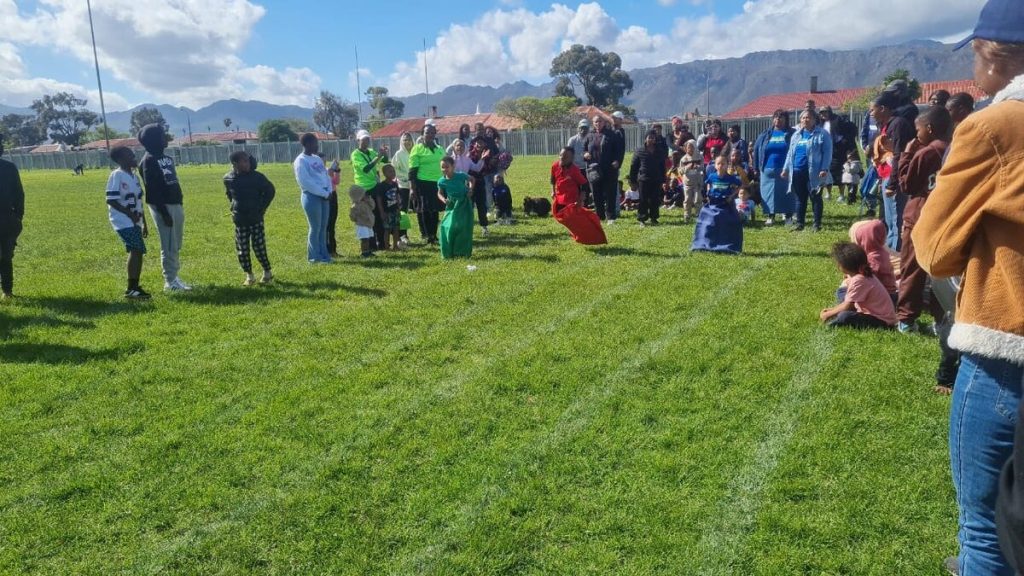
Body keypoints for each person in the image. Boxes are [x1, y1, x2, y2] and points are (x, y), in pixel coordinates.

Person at [911, 3, 1024, 571]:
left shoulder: (994, 126)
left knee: (985, 527)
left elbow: (934, 249)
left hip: (1007, 353)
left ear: (994, 57)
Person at [895, 106, 952, 334]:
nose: (916, 135)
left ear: (929, 128)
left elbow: (906, 185)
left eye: (918, 130)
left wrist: (907, 154)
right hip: (944, 217)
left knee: (912, 268)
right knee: (941, 270)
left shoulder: (926, 152)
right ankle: (942, 319)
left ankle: (906, 319)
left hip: (919, 216)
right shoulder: (955, 149)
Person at [139, 123, 191, 291]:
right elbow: (152, 189)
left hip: (175, 203)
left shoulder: (167, 158)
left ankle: (175, 277)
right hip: (163, 206)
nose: (166, 138)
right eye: (162, 135)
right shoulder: (148, 160)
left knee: (176, 243)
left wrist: (180, 201)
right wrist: (164, 212)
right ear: (154, 139)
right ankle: (170, 281)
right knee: (169, 244)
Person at [870, 90, 918, 251]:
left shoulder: (898, 124)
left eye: (872, 109)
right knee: (890, 219)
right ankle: (891, 250)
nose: (871, 113)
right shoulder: (886, 125)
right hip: (886, 176)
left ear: (882, 108)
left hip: (895, 178)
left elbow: (899, 154)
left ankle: (896, 254)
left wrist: (892, 183)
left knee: (896, 220)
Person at [105, 146, 151, 299]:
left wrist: (144, 223)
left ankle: (134, 286)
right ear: (120, 159)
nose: (133, 156)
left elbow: (139, 202)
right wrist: (130, 214)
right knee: (136, 249)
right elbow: (111, 200)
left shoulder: (134, 177)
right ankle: (132, 288)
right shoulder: (117, 175)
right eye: (129, 155)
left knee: (137, 251)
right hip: (123, 220)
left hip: (135, 220)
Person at [224, 151, 275, 285]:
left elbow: (270, 191)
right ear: (235, 164)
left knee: (259, 247)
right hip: (240, 220)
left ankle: (267, 272)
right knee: (242, 249)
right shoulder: (228, 178)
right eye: (244, 161)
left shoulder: (257, 177)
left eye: (248, 161)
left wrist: (262, 208)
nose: (248, 164)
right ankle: (249, 276)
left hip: (255, 218)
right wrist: (234, 206)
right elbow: (229, 194)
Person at [819, 242, 898, 330]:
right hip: (870, 312)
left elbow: (848, 306)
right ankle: (838, 312)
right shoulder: (862, 275)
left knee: (845, 316)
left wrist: (828, 314)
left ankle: (832, 324)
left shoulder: (859, 279)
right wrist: (833, 309)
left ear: (844, 266)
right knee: (842, 292)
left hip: (882, 321)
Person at [781, 110, 832, 232]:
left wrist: (824, 168)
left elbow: (827, 153)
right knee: (800, 198)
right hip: (797, 171)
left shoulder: (822, 134)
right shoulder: (796, 135)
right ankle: (800, 224)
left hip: (814, 172)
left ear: (814, 119)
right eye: (803, 118)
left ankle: (816, 224)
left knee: (815, 197)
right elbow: (790, 154)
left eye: (808, 117)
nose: (805, 120)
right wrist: (785, 169)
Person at [551, 147, 606, 245]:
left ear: (571, 159)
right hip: (559, 199)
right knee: (560, 218)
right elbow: (552, 180)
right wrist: (552, 191)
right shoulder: (555, 166)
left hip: (571, 201)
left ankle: (593, 236)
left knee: (578, 222)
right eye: (561, 155)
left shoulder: (574, 170)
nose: (562, 158)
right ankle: (577, 234)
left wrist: (581, 200)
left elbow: (584, 184)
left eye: (565, 157)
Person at [294, 132, 333, 263]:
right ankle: (314, 257)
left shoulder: (317, 158)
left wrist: (329, 190)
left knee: (323, 227)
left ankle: (324, 255)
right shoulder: (301, 160)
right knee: (315, 227)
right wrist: (324, 193)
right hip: (311, 197)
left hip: (325, 195)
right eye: (314, 143)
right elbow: (305, 182)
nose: (317, 146)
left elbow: (325, 176)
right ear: (306, 144)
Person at [691, 155, 743, 254]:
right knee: (706, 219)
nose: (721, 166)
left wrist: (732, 195)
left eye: (723, 164)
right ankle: (703, 243)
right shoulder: (712, 176)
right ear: (715, 165)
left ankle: (727, 244)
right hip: (713, 203)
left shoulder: (730, 178)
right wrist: (708, 192)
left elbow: (741, 185)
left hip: (726, 204)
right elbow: (708, 183)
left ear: (727, 165)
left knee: (726, 220)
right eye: (718, 164)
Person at [752, 109, 795, 226]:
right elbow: (756, 150)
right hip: (767, 170)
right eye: (776, 117)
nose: (778, 119)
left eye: (781, 117)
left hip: (786, 170)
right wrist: (756, 168)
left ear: (786, 120)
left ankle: (788, 217)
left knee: (787, 193)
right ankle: (771, 216)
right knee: (769, 194)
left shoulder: (792, 134)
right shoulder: (765, 134)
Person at [409, 123, 446, 245]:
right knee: (425, 209)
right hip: (422, 184)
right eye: (427, 132)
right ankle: (427, 235)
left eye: (432, 132)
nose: (430, 134)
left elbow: (445, 165)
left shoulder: (440, 149)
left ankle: (433, 235)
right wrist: (412, 188)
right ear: (422, 134)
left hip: (437, 183)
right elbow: (412, 170)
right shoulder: (417, 149)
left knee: (435, 210)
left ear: (435, 134)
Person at [582, 115, 623, 222]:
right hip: (594, 169)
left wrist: (617, 161)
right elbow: (584, 149)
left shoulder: (612, 135)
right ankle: (599, 216)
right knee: (596, 193)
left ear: (604, 123)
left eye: (600, 121)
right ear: (593, 123)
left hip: (609, 168)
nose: (598, 123)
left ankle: (611, 217)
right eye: (596, 122)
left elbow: (619, 151)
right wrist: (585, 154)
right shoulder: (589, 135)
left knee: (610, 193)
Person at [0, 136, 24, 300]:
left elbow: (19, 194)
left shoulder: (9, 168)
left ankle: (7, 291)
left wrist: (18, 217)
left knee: (6, 256)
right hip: (9, 218)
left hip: (7, 219)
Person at [848, 220, 898, 298]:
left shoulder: (873, 258)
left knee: (842, 291)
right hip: (889, 291)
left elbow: (866, 279)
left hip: (884, 294)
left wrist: (851, 276)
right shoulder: (882, 251)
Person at [628, 130, 668, 226]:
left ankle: (654, 218)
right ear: (645, 139)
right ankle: (642, 218)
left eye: (653, 138)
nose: (651, 139)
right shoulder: (639, 150)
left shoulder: (659, 151)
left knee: (655, 199)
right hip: (643, 179)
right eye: (649, 137)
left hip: (656, 178)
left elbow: (662, 166)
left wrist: (664, 180)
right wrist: (632, 181)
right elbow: (634, 166)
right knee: (643, 199)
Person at [437, 156, 474, 259]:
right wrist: (443, 199)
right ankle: (449, 251)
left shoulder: (461, 176)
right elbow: (439, 193)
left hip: (463, 203)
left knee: (463, 227)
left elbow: (472, 179)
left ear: (453, 166)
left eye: (447, 167)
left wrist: (470, 189)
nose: (444, 169)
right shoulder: (441, 181)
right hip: (451, 205)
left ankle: (462, 252)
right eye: (442, 167)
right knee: (447, 225)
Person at [369, 164, 402, 251]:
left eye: (393, 171)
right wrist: (382, 212)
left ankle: (395, 246)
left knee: (396, 228)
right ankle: (387, 247)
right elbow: (379, 200)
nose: (393, 173)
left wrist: (399, 208)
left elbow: (397, 196)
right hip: (387, 211)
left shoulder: (395, 184)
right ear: (384, 174)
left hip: (395, 210)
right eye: (390, 172)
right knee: (387, 229)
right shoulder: (381, 186)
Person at [391, 132, 416, 244]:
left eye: (409, 139)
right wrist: (403, 177)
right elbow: (394, 169)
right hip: (403, 185)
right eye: (405, 140)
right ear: (401, 141)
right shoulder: (399, 154)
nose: (407, 142)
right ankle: (402, 235)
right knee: (403, 210)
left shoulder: (415, 152)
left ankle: (426, 233)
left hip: (415, 184)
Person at [348, 185, 376, 258]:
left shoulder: (366, 202)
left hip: (368, 224)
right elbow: (352, 216)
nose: (365, 195)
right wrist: (356, 219)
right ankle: (364, 252)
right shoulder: (355, 206)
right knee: (364, 239)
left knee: (368, 238)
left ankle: (368, 251)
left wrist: (369, 199)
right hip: (361, 225)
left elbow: (373, 206)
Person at [679, 140, 704, 223]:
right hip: (688, 183)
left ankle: (699, 215)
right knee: (687, 200)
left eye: (691, 147)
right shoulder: (683, 159)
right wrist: (687, 167)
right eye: (688, 147)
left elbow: (703, 167)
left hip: (697, 182)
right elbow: (680, 171)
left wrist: (698, 167)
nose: (689, 149)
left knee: (698, 199)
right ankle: (687, 216)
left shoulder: (699, 157)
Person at [326, 159, 341, 257]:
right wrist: (328, 174)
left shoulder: (328, 170)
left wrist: (337, 171)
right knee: (327, 226)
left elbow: (336, 182)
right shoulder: (320, 171)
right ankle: (328, 250)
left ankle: (333, 249)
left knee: (332, 224)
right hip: (325, 195)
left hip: (333, 195)